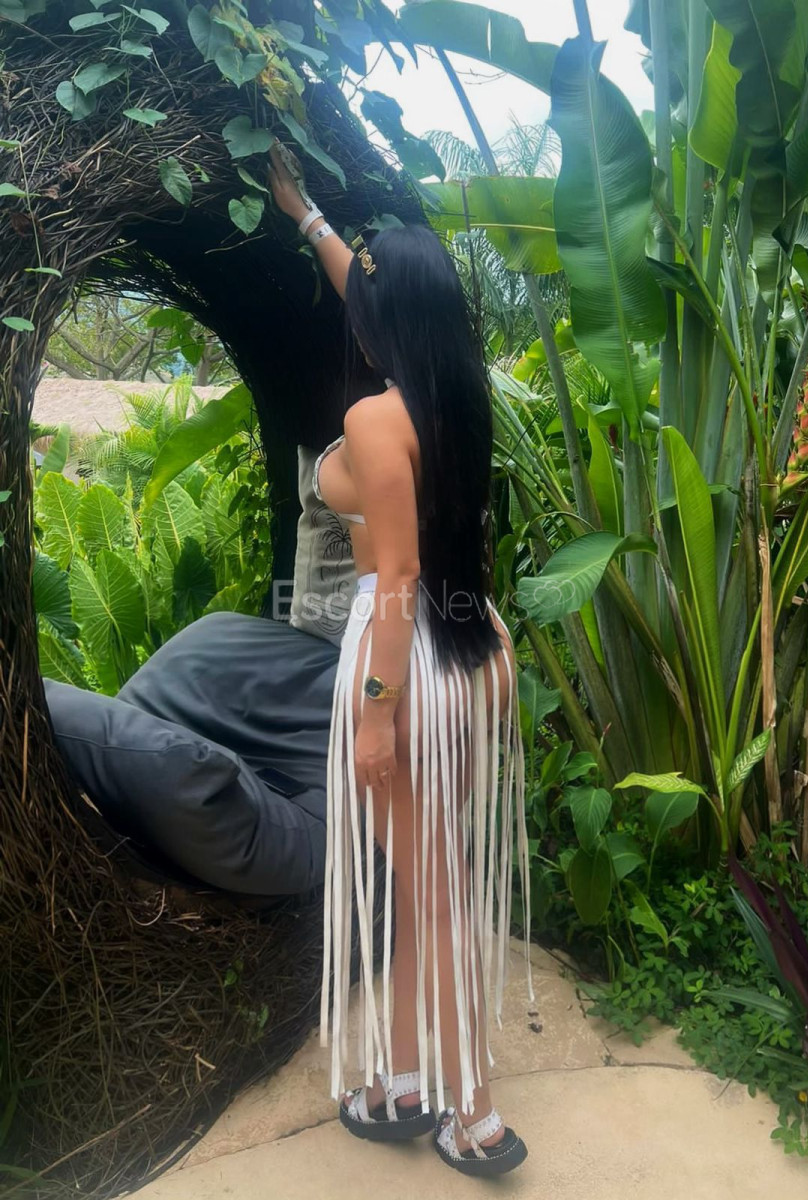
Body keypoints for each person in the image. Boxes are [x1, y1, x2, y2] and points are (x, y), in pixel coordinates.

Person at [269, 143, 532, 1177]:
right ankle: (415, 1078)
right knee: (438, 878)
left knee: (431, 891)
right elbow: (373, 293)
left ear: (386, 324)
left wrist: (376, 714)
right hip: (476, 652)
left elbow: (398, 575)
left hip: (408, 659)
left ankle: (473, 1112)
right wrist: (305, 215)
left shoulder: (373, 421)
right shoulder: (453, 396)